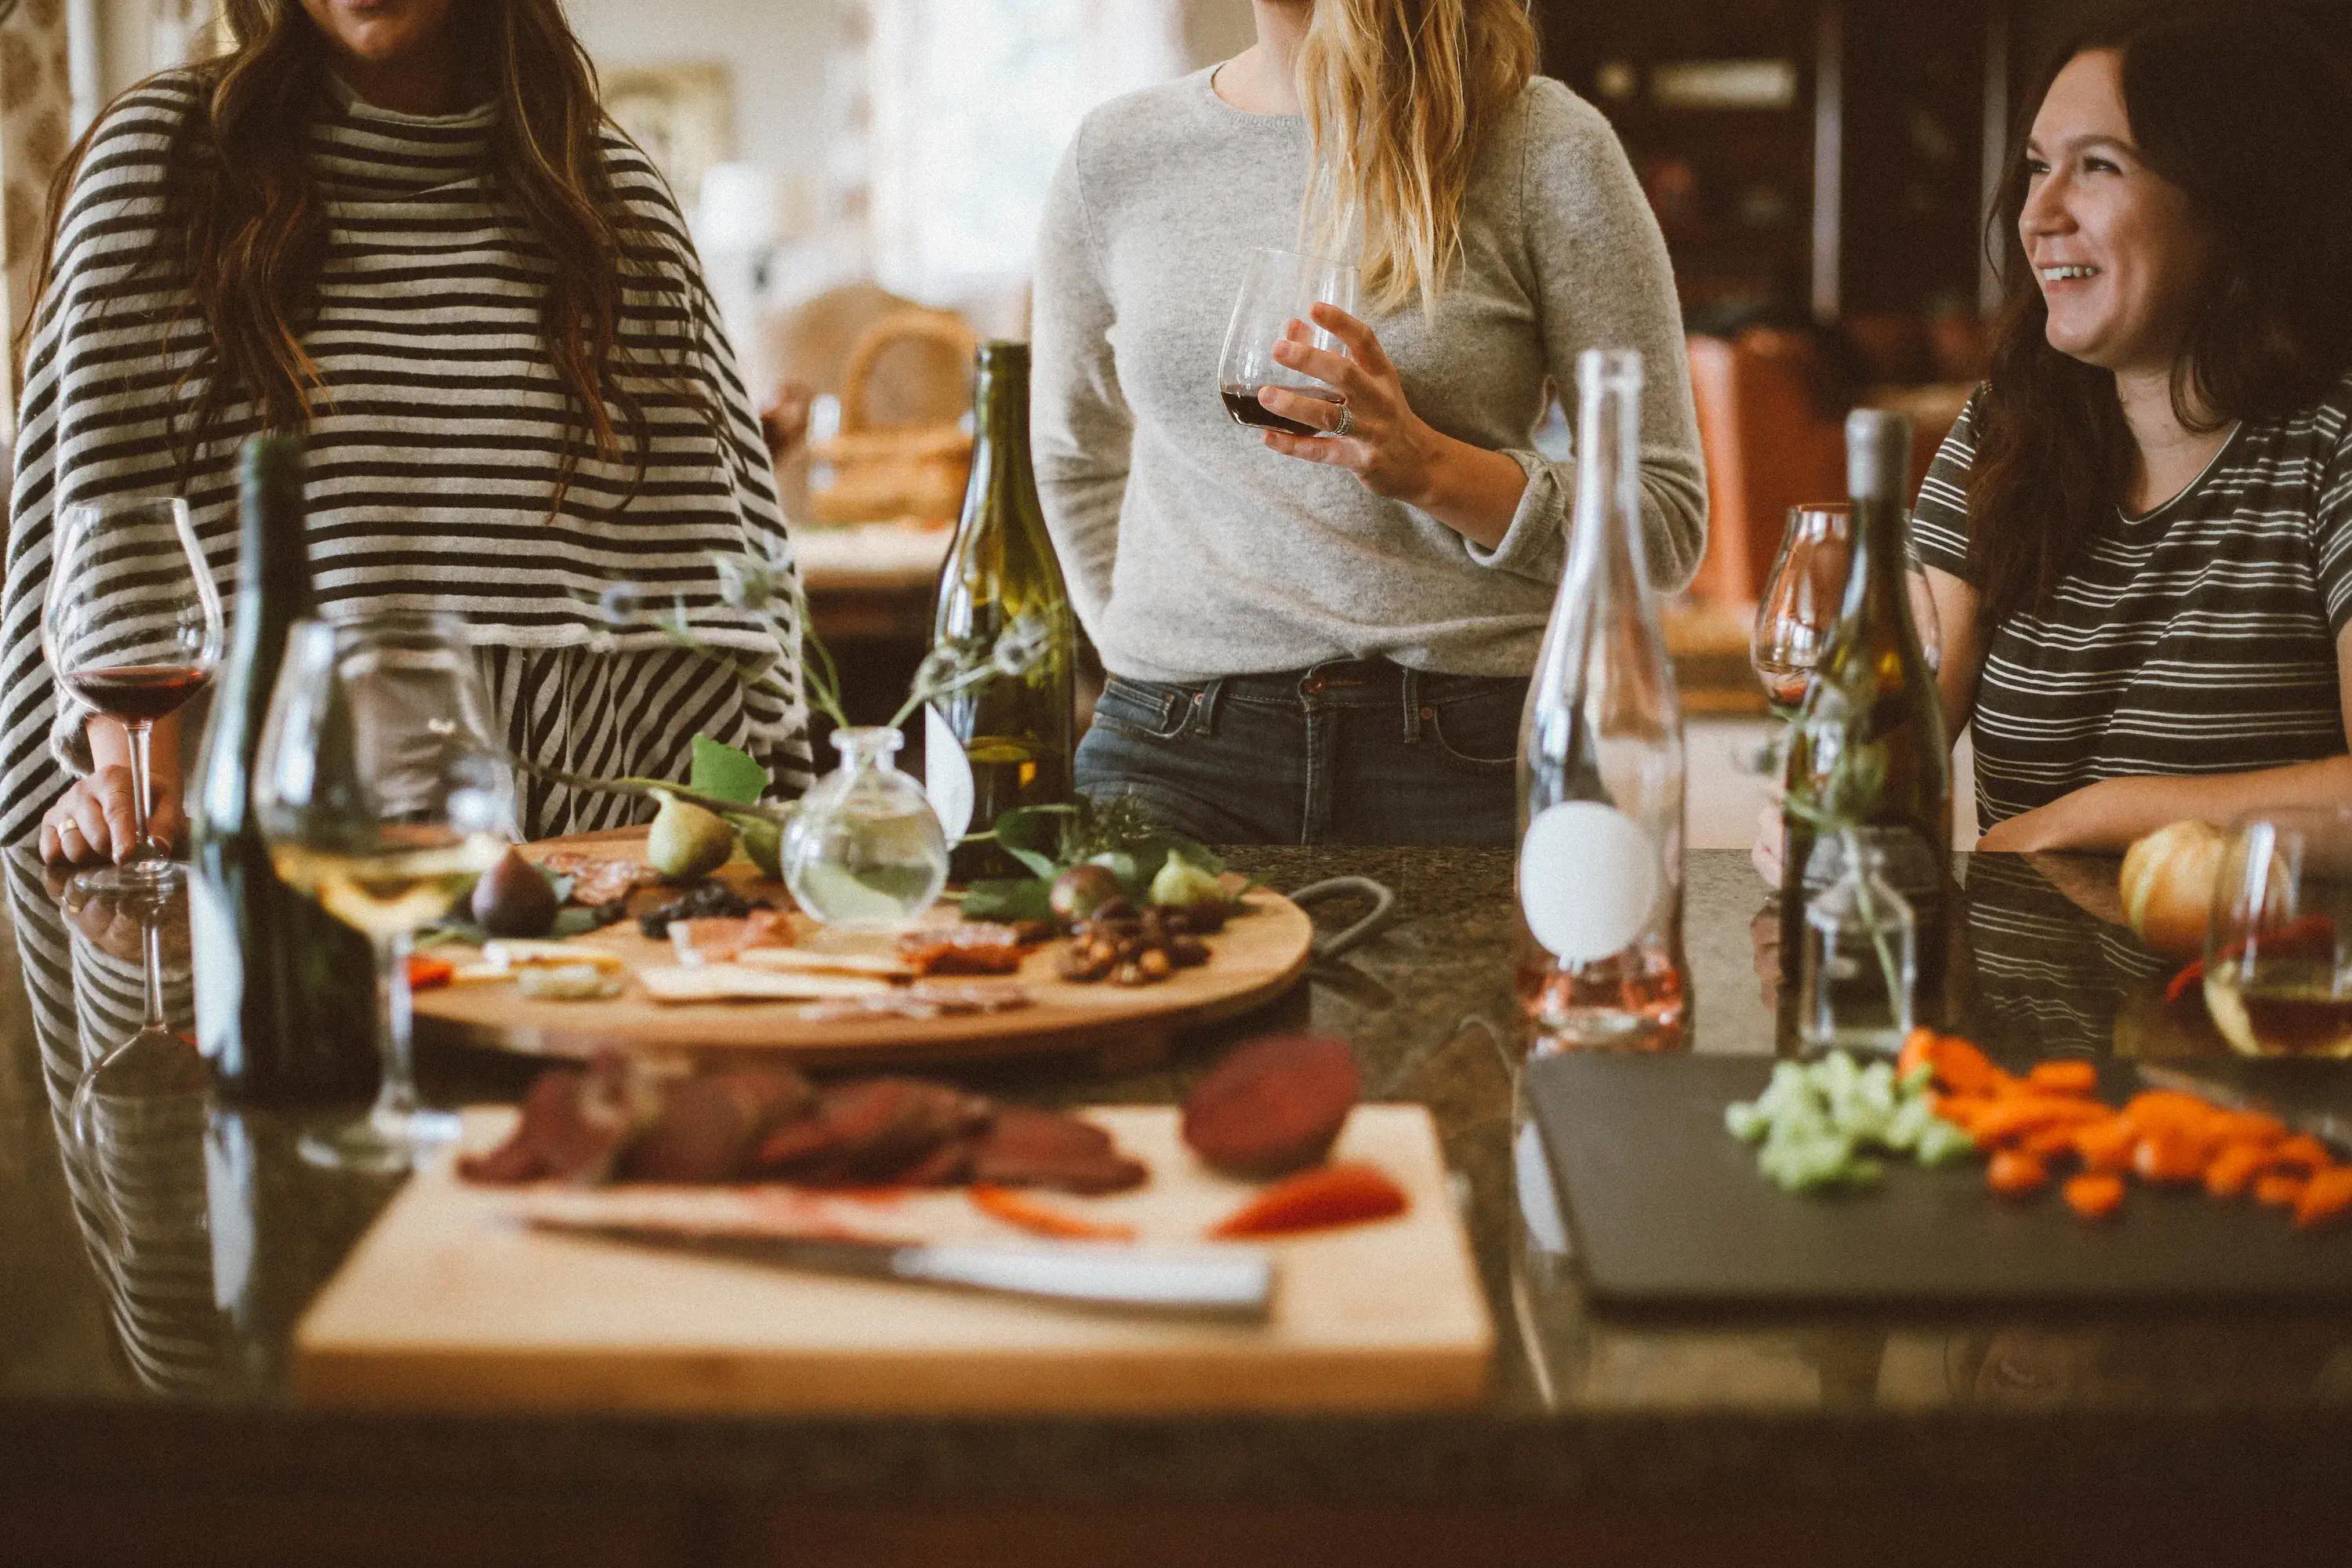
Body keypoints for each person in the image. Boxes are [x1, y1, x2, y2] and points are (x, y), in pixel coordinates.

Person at [2, 0, 808, 865]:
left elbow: (713, 585)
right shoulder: (163, 164)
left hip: (573, 855)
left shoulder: (607, 196)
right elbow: (114, 534)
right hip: (262, 862)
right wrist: (132, 792)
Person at [1030, 0, 1706, 846]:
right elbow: (1073, 458)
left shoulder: (1542, 143)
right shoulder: (1115, 156)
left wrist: (1431, 469)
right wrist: (1149, 649)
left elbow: (1665, 521)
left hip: (1469, 750)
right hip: (1172, 752)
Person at [1918, 5, 2351, 854]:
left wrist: (2089, 817)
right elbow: (1891, 717)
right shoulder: (2006, 425)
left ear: (2232, 202)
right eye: (2039, 166)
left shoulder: (2331, 444)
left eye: (2099, 167)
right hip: (2032, 989)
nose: (2038, 214)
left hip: (2253, 983)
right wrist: (1828, 792)